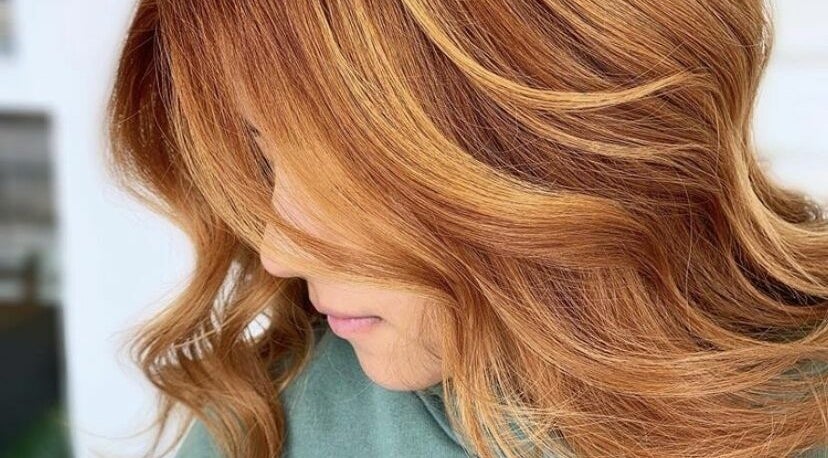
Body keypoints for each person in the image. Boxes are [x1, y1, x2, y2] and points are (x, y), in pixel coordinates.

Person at [104, 0, 828, 457]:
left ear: (537, 144)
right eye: (264, 161)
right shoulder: (271, 425)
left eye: (339, 166)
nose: (278, 252)